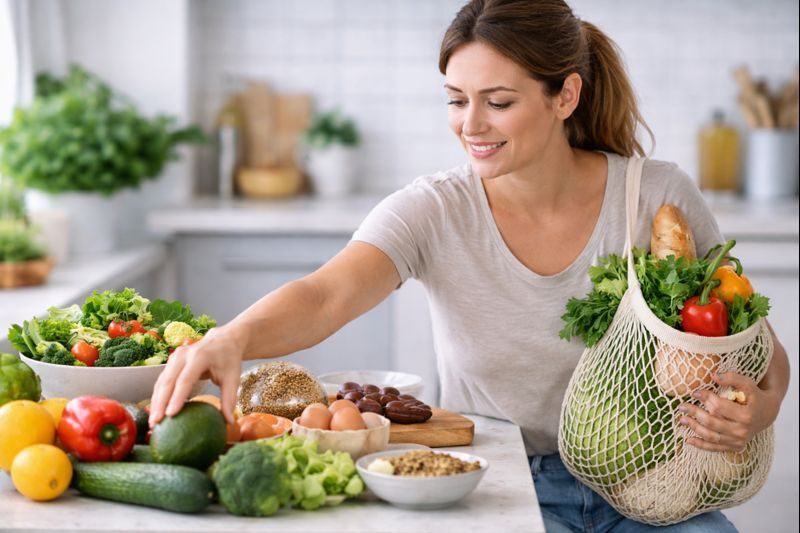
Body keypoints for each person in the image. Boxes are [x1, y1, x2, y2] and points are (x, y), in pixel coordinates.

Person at [149, 0, 790, 530]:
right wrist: (230, 338)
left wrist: (758, 409)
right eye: (456, 99)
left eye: (499, 101)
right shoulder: (434, 209)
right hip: (502, 483)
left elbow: (761, 351)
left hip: (658, 488)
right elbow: (325, 296)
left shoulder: (655, 198)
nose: (471, 124)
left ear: (565, 95)